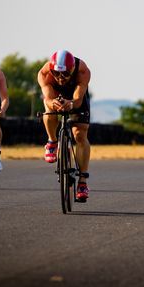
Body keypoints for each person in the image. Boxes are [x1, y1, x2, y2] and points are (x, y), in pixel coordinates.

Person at [37, 50, 91, 201]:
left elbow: (78, 100)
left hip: (75, 96)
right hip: (55, 95)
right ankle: (52, 141)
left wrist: (71, 104)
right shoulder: (44, 73)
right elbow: (47, 98)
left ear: (72, 69)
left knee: (80, 135)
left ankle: (82, 181)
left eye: (65, 74)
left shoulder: (82, 70)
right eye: (56, 74)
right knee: (48, 110)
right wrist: (52, 104)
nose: (61, 78)